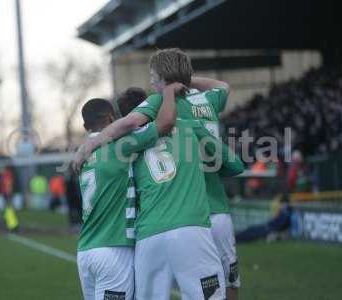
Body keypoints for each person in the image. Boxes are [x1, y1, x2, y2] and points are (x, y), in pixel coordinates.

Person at [74, 48, 241, 300]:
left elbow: (130, 124)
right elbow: (235, 164)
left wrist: (92, 143)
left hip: (148, 232)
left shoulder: (133, 135)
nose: (151, 82)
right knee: (218, 290)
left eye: (153, 76)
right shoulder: (198, 115)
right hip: (196, 220)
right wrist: (182, 82)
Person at [115, 83, 244, 299]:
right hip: (191, 225)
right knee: (211, 292)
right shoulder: (188, 126)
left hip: (148, 233)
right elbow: (236, 165)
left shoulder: (122, 145)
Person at [76, 91, 178, 300]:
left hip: (85, 250)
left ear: (86, 127)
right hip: (113, 249)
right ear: (113, 119)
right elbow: (165, 124)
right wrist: (168, 92)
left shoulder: (83, 155)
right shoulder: (120, 145)